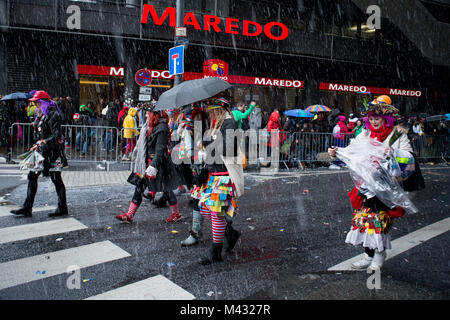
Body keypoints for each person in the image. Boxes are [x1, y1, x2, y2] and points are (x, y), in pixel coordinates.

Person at [328, 95, 417, 270]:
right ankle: (368, 255)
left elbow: (411, 159)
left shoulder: (397, 135)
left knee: (378, 221)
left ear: (386, 118)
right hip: (366, 185)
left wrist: (394, 152)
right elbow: (353, 150)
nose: (374, 121)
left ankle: (379, 254)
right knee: (363, 220)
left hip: (386, 187)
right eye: (372, 118)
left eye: (378, 118)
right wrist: (338, 152)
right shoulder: (365, 134)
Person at [188, 98, 242, 265]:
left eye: (212, 111)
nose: (210, 114)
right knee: (205, 208)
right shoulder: (216, 125)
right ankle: (229, 233)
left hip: (223, 173)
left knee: (215, 212)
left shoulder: (229, 123)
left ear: (220, 110)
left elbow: (229, 148)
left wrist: (210, 143)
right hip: (213, 172)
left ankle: (215, 251)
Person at [115, 106, 182, 223]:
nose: (145, 116)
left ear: (155, 115)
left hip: (159, 165)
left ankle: (176, 214)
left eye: (148, 114)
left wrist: (153, 167)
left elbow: (160, 151)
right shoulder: (150, 126)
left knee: (166, 189)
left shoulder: (162, 128)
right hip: (148, 164)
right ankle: (129, 215)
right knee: (139, 187)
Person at [11, 90, 68, 217]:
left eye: (37, 103)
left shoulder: (53, 115)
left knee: (56, 179)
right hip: (41, 153)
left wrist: (43, 142)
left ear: (43, 103)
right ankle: (27, 207)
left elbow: (57, 135)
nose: (36, 106)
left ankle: (62, 207)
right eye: (35, 103)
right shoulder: (41, 115)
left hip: (54, 153)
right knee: (32, 176)